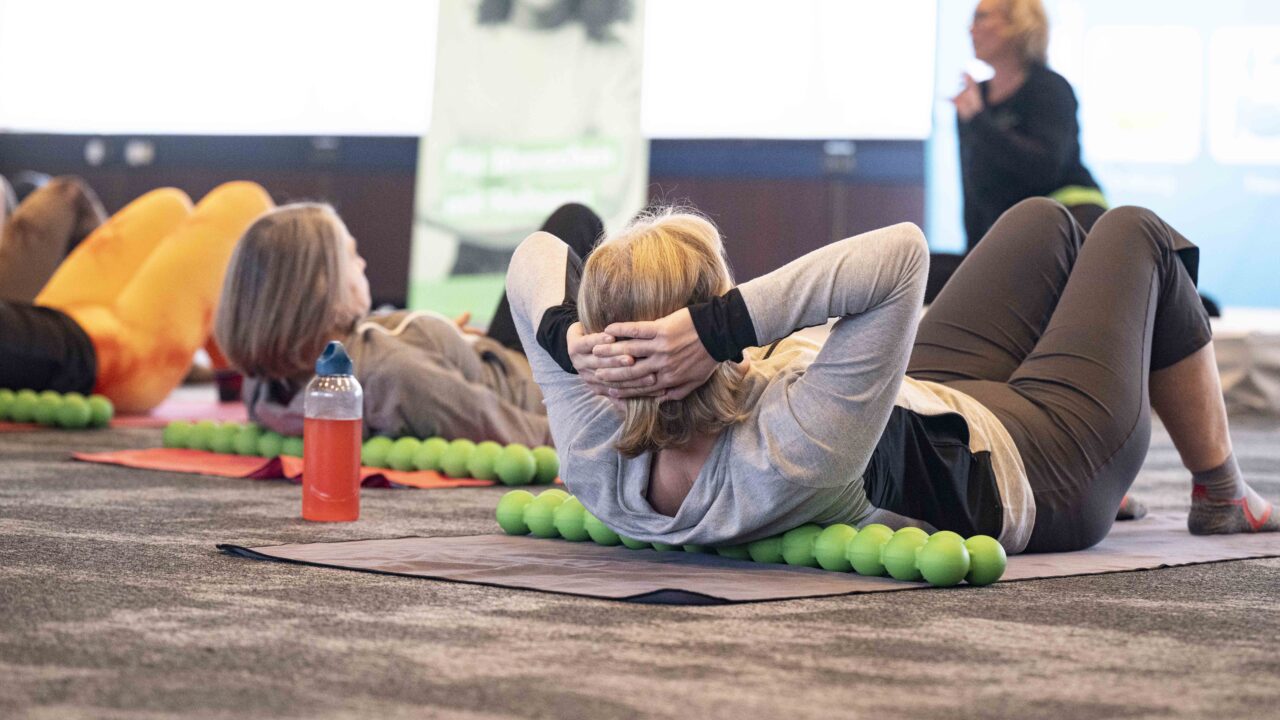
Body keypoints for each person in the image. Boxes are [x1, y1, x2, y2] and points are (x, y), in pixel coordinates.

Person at [505, 199, 1276, 555]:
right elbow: (902, 252)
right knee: (1135, 234)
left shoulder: (595, 435)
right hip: (1033, 465)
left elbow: (536, 252)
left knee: (1041, 221)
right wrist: (723, 330)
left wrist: (563, 339)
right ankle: (1221, 494)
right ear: (707, 317)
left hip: (918, 407)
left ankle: (1137, 459)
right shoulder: (783, 452)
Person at [214, 202, 604, 443]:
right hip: (535, 375)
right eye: (351, 257)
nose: (363, 263)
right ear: (320, 291)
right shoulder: (396, 375)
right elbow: (518, 429)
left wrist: (442, 341)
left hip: (485, 356)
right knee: (575, 222)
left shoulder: (261, 388)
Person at [0, 181, 273, 413]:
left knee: (168, 205)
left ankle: (227, 364)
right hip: (115, 363)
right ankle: (243, 370)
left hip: (57, 315)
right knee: (242, 199)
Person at [954, 0, 1104, 250]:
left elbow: (1045, 168)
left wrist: (980, 122)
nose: (971, 28)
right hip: (1011, 230)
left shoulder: (1050, 88)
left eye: (982, 17)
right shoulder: (973, 99)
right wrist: (970, 259)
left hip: (1068, 215)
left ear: (1018, 24)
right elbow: (973, 191)